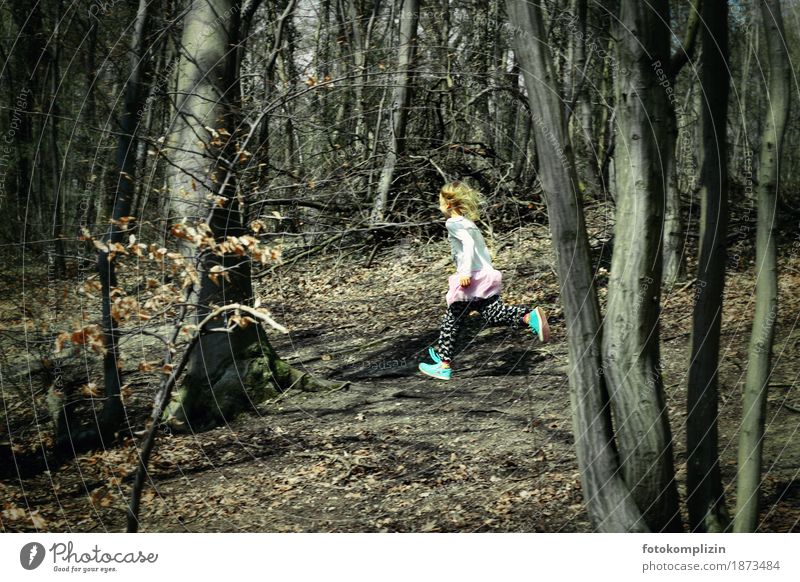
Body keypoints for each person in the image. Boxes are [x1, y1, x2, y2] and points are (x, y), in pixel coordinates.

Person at [418, 180, 550, 380]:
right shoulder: (468, 223)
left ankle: (443, 365)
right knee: (494, 314)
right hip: (484, 275)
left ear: (449, 204)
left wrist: (465, 272)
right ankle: (528, 317)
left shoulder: (452, 223)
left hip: (471, 279)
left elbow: (469, 245)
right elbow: (481, 249)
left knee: (451, 320)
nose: (439, 206)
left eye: (440, 201)